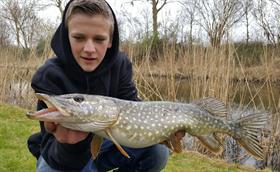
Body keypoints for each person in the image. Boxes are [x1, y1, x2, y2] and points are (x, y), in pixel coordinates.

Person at [27, 0, 184, 171]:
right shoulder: (48, 75)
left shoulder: (120, 65)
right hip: (60, 153)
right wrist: (70, 145)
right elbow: (52, 147)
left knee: (158, 152)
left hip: (106, 142)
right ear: (67, 36)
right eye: (79, 37)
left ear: (110, 40)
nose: (89, 48)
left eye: (99, 39)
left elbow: (133, 107)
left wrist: (156, 132)